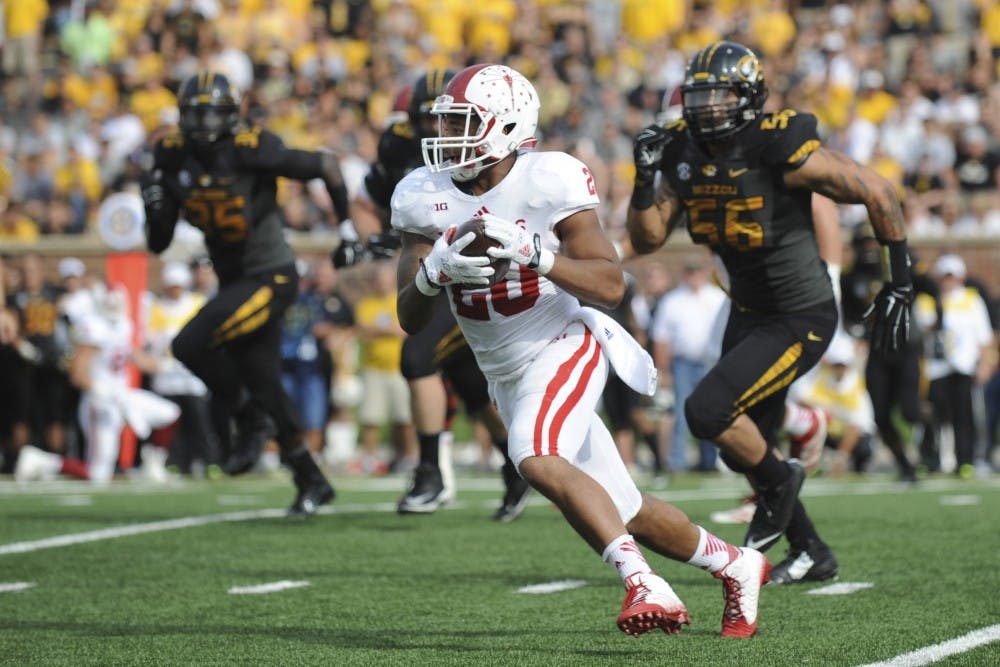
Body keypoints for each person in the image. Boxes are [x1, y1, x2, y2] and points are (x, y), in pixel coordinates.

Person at [393, 62, 770, 638]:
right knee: (627, 508)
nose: (448, 137)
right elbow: (408, 318)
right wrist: (431, 274)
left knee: (535, 455)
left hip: (562, 341)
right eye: (446, 123)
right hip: (504, 370)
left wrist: (537, 254)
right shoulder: (421, 193)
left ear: (507, 126)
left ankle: (643, 583)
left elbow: (611, 284)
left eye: (463, 123)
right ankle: (736, 564)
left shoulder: (549, 179)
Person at [626, 41, 913, 584]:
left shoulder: (777, 144)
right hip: (748, 311)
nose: (707, 107)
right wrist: (644, 179)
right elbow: (647, 239)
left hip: (799, 312)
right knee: (745, 444)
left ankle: (782, 484)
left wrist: (899, 283)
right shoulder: (683, 152)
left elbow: (878, 191)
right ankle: (810, 551)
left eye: (720, 95)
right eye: (699, 96)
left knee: (707, 411)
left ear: (749, 96)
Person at [140, 70, 347, 518]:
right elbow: (157, 242)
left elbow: (327, 166)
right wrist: (154, 205)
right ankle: (310, 478)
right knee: (265, 383)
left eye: (212, 114)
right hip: (237, 284)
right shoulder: (172, 156)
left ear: (231, 116)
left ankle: (249, 419)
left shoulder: (253, 148)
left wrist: (345, 228)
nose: (203, 124)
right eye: (195, 114)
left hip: (270, 276)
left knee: (189, 344)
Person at [337, 68, 530, 520]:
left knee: (417, 357)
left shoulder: (510, 161)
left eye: (456, 120)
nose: (441, 131)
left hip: (485, 281)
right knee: (469, 387)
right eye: (434, 120)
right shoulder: (399, 147)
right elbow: (366, 204)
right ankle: (514, 464)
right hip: (436, 273)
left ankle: (430, 470)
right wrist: (372, 241)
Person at [16, 283, 181, 485]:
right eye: (109, 302)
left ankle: (153, 465)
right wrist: (101, 389)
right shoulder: (93, 327)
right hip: (99, 401)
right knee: (98, 474)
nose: (113, 306)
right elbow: (77, 374)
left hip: (122, 395)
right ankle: (42, 461)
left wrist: (164, 365)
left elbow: (132, 356)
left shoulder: (123, 324)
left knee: (169, 413)